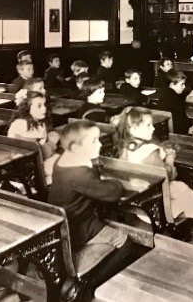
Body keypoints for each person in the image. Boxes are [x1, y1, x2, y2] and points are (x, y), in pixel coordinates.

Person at [49, 120, 142, 297]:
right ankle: (89, 285)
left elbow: (92, 181)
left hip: (65, 221)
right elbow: (112, 193)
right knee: (126, 243)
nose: (99, 144)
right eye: (93, 141)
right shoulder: (80, 173)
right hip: (78, 227)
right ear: (75, 147)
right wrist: (118, 182)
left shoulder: (61, 161)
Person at [113, 107, 193, 239]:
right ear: (133, 129)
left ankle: (190, 218)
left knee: (179, 190)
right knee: (182, 188)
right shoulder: (150, 152)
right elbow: (168, 176)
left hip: (138, 200)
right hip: (156, 204)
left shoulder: (123, 147)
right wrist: (170, 160)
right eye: (148, 125)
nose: (153, 128)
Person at [8, 91, 60, 185]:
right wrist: (52, 142)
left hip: (38, 163)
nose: (44, 108)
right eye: (39, 106)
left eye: (44, 105)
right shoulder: (21, 124)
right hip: (29, 169)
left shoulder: (38, 122)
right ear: (27, 108)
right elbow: (37, 153)